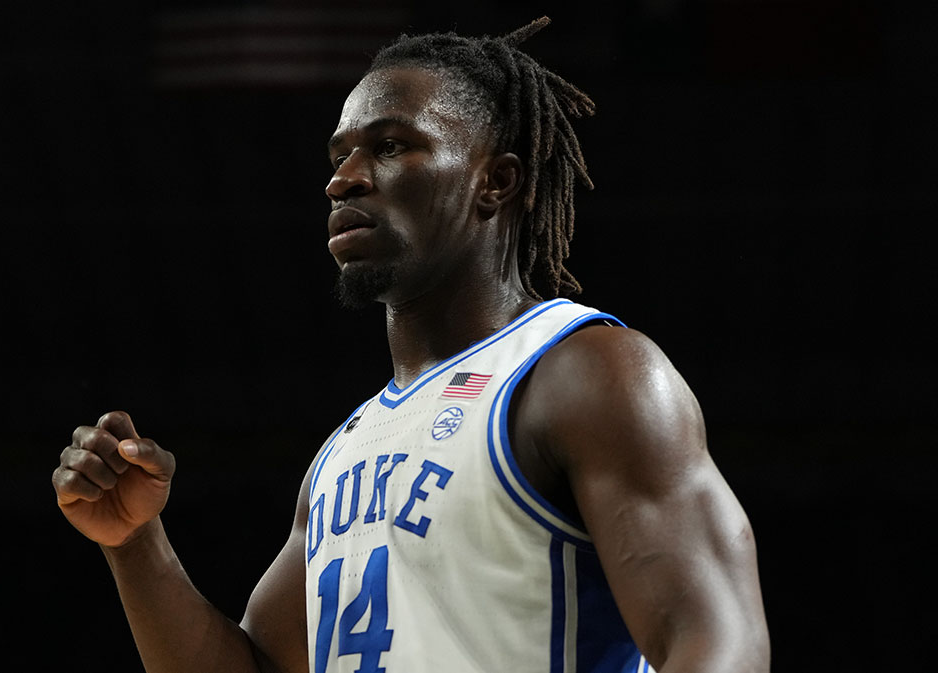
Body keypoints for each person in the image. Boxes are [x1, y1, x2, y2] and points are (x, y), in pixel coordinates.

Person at [52, 17, 770, 673]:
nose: (344, 178)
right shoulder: (345, 452)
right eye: (339, 155)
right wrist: (133, 541)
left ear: (497, 181)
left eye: (390, 146)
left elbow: (717, 642)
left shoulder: (586, 373)